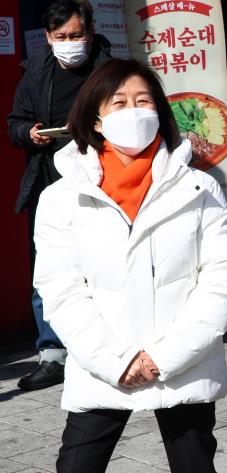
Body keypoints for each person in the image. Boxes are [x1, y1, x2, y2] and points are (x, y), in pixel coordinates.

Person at [32, 58, 227, 473]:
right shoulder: (62, 198)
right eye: (119, 103)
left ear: (160, 112)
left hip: (183, 364)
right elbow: (61, 289)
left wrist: (165, 357)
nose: (133, 112)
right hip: (103, 365)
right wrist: (118, 361)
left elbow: (223, 279)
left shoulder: (199, 188)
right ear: (95, 118)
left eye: (143, 101)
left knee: (195, 464)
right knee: (76, 464)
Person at [7, 0, 112, 391]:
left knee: (101, 262)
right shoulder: (35, 72)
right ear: (48, 37)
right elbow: (14, 123)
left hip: (100, 179)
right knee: (49, 268)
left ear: (90, 31)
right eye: (61, 37)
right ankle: (52, 354)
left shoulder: (110, 70)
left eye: (76, 35)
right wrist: (29, 134)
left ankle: (102, 347)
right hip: (49, 181)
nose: (70, 43)